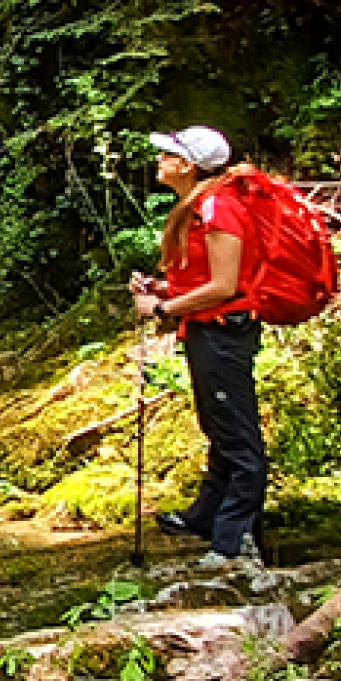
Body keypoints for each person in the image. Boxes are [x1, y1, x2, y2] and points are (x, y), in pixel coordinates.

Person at [130, 125, 270, 574]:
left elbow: (225, 287)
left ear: (188, 165)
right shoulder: (200, 206)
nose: (160, 160)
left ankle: (236, 539)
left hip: (224, 332)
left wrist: (163, 306)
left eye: (168, 154)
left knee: (238, 435)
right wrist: (159, 288)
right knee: (218, 424)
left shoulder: (218, 209)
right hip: (209, 331)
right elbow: (206, 281)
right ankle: (207, 517)